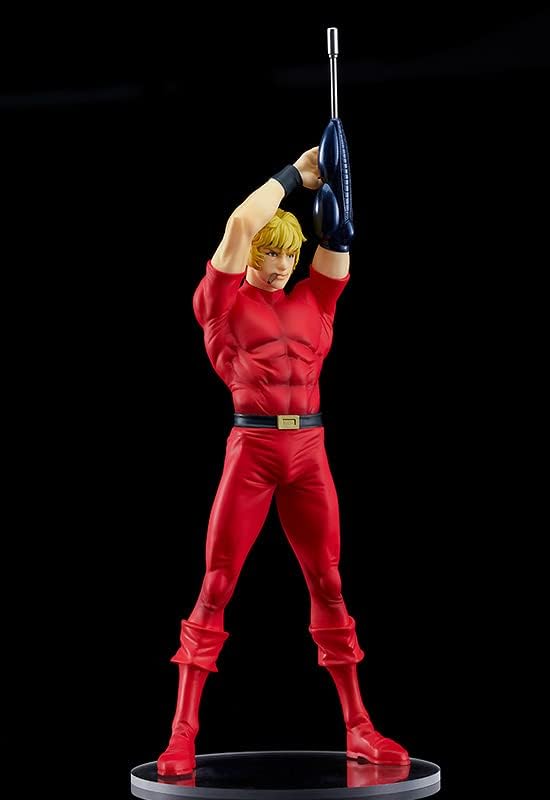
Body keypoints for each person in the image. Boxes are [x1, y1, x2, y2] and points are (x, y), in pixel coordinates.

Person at [157, 141, 409, 776]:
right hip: (253, 448)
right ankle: (182, 733)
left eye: (288, 255)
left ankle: (359, 726)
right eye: (270, 254)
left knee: (330, 583)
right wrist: (297, 174)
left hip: (309, 451)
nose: (279, 265)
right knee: (217, 585)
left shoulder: (313, 301)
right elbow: (240, 222)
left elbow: (339, 242)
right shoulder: (220, 304)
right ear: (252, 256)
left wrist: (339, 189)